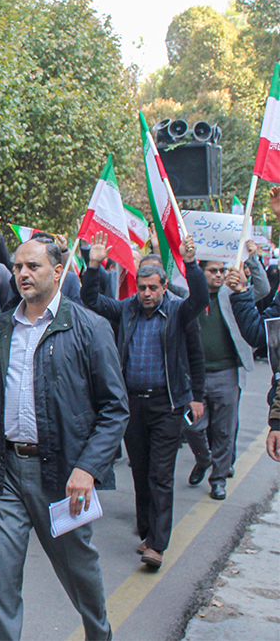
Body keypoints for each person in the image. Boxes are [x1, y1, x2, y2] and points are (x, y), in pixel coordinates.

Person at [0, 237, 129, 641]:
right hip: (7, 472)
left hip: (63, 474)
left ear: (58, 272)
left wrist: (87, 468)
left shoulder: (90, 327)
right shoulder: (1, 328)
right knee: (0, 578)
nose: (23, 274)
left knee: (79, 570)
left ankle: (99, 634)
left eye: (33, 266)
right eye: (18, 267)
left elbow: (115, 408)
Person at [81, 232, 208, 569]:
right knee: (140, 471)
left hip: (167, 406)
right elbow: (91, 300)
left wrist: (192, 264)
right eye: (142, 288)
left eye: (153, 288)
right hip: (133, 405)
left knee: (160, 474)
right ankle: (148, 531)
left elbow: (200, 299)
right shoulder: (127, 310)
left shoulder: (178, 312)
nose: (147, 294)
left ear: (164, 287)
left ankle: (157, 545)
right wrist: (93, 266)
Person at [180, 260, 255, 501]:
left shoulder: (232, 294)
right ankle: (204, 460)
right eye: (213, 271)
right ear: (201, 272)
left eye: (222, 270)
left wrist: (252, 258)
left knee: (224, 431)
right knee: (191, 427)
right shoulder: (189, 298)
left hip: (226, 373)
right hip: (196, 377)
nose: (219, 275)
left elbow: (262, 288)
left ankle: (218, 479)